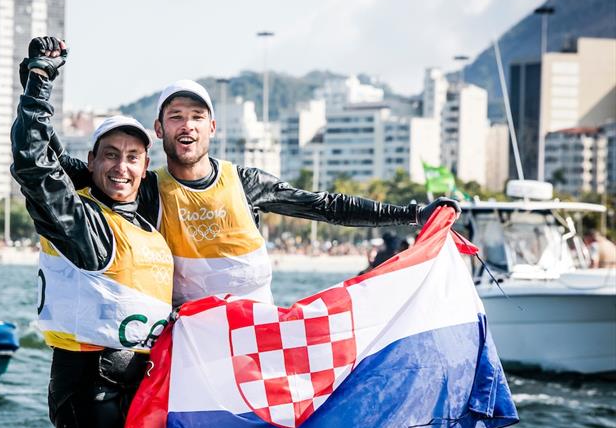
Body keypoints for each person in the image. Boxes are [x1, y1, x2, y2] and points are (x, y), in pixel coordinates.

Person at [57, 77, 460, 307]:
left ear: (212, 127)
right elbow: (80, 171)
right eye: (175, 117)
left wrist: (413, 214)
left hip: (256, 343)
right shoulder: (146, 187)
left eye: (197, 117)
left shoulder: (244, 181)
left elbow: (326, 206)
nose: (187, 126)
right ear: (159, 129)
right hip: (187, 347)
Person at [11, 36, 173, 428]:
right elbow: (34, 161)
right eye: (111, 156)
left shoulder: (143, 222)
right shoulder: (81, 221)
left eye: (133, 157)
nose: (122, 167)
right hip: (90, 388)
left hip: (140, 385)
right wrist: (40, 81)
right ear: (92, 160)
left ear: (145, 165)